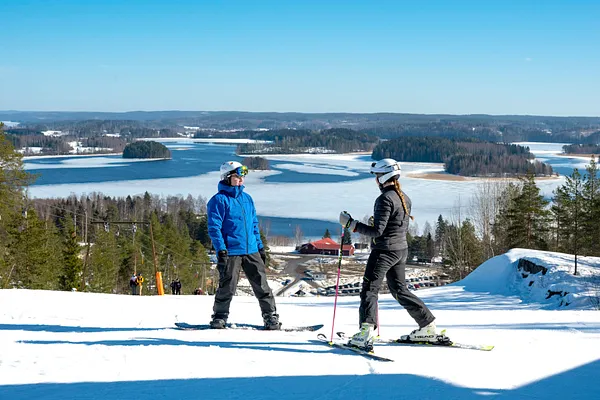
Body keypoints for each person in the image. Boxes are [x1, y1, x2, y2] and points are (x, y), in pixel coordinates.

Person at [339, 158, 439, 350]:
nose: (376, 180)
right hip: (400, 250)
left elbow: (378, 231)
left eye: (376, 176)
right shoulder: (403, 197)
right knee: (400, 290)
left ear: (383, 176)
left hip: (384, 251)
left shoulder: (385, 199)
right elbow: (391, 225)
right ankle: (427, 325)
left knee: (369, 289)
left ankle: (365, 333)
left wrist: (352, 225)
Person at [206, 161, 280, 330]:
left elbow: (254, 225)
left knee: (262, 286)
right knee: (227, 287)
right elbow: (214, 228)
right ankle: (219, 317)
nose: (240, 181)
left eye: (242, 178)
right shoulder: (218, 200)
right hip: (231, 251)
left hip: (251, 249)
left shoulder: (247, 199)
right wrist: (221, 250)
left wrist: (260, 247)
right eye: (237, 177)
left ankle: (270, 316)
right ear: (227, 178)